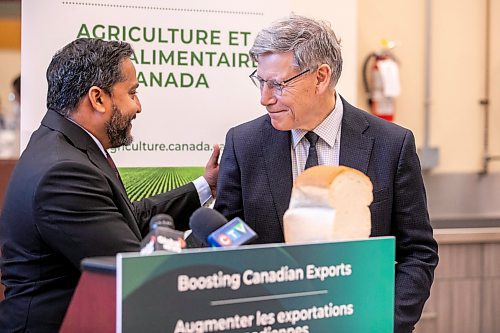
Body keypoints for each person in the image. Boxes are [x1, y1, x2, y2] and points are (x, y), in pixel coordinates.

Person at [214, 14, 438, 333]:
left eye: (277, 84)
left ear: (320, 77)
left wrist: (386, 322)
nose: (264, 98)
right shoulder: (244, 144)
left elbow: (417, 251)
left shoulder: (392, 144)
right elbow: (226, 245)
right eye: (260, 81)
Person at [0, 38, 220, 332]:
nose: (138, 106)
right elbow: (134, 271)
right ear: (98, 98)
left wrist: (206, 185)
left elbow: (127, 219)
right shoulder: (65, 172)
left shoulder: (62, 143)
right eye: (132, 92)